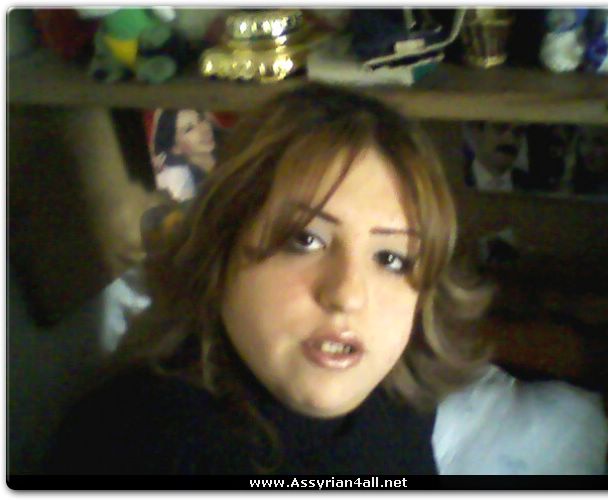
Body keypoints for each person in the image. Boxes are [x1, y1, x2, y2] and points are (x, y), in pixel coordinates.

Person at [46, 83, 491, 476]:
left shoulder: (403, 404)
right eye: (304, 239)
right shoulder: (130, 445)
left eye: (391, 258)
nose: (347, 295)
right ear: (220, 248)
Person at [150, 108, 224, 201]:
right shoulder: (186, 184)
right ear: (175, 148)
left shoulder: (232, 145)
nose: (203, 129)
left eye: (201, 119)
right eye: (189, 129)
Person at [463, 121, 531, 192]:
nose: (510, 141)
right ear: (477, 133)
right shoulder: (457, 179)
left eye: (518, 132)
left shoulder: (532, 187)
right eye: (500, 128)